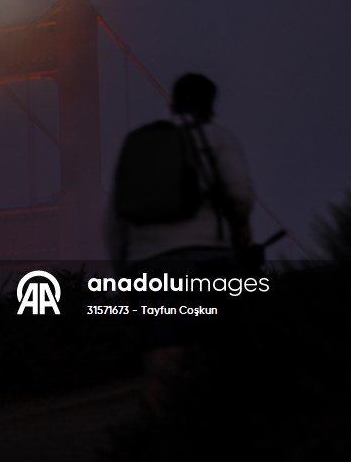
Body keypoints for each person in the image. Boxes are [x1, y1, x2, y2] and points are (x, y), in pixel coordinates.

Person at [104, 73, 256, 414]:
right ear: (211, 108)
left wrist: (122, 273)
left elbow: (113, 221)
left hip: (151, 267)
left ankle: (156, 440)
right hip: (210, 262)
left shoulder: (138, 146)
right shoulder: (217, 137)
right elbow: (242, 196)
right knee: (223, 351)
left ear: (171, 103)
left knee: (163, 354)